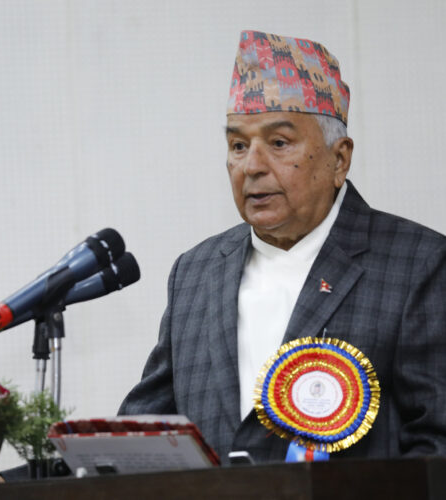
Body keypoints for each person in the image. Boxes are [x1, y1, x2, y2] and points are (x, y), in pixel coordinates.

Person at [119, 30, 446, 464]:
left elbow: (437, 445)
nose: (252, 166)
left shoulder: (417, 264)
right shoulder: (195, 272)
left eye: (278, 143)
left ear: (339, 159)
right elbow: (144, 433)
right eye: (238, 145)